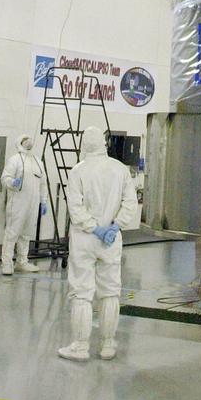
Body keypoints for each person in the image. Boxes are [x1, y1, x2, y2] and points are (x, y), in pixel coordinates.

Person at [59, 125, 139, 362]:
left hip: (84, 239)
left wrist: (94, 228)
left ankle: (80, 346)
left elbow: (75, 208)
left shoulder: (78, 171)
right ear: (104, 144)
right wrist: (114, 227)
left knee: (82, 292)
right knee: (110, 291)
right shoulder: (120, 169)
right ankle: (107, 344)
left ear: (85, 144)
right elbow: (130, 203)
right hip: (110, 241)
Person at [1, 133, 48, 276]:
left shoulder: (37, 162)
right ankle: (7, 263)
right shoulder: (15, 160)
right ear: (19, 143)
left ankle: (22, 261)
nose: (29, 142)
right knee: (12, 232)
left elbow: (43, 183)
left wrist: (43, 201)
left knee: (26, 233)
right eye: (25, 140)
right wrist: (12, 182)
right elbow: (5, 178)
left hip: (32, 204)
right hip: (17, 202)